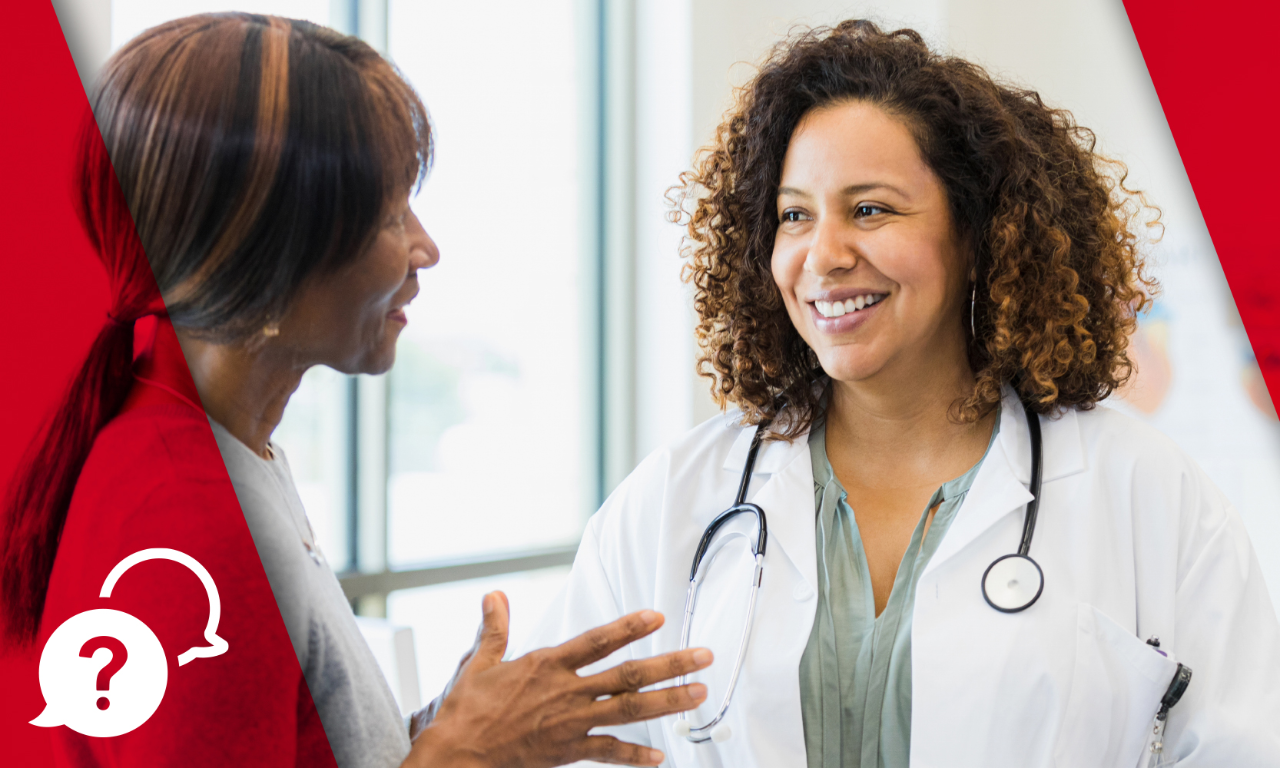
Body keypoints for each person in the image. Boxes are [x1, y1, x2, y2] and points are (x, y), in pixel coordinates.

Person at [521, 20, 1280, 767]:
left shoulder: (1144, 491)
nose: (824, 254)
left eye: (871, 209)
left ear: (978, 233)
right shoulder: (675, 500)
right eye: (794, 215)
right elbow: (569, 744)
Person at [0, 13, 709, 768]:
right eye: (388, 214)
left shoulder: (225, 450)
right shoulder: (191, 532)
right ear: (270, 251)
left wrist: (455, 726)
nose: (425, 248)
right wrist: (468, 756)